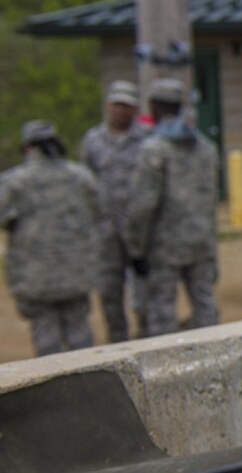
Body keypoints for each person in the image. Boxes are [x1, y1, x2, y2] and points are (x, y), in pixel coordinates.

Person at [121, 80, 219, 337]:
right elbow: (211, 200)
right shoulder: (206, 148)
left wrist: (135, 248)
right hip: (201, 241)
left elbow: (143, 205)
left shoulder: (154, 149)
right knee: (206, 307)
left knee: (162, 313)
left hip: (163, 247)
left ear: (154, 107)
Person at [0, 121, 103, 355]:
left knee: (45, 335)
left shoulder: (14, 182)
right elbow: (98, 210)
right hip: (77, 270)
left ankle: (53, 389)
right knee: (80, 332)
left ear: (28, 147)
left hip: (35, 275)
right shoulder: (80, 176)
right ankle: (87, 385)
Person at [80, 80, 150, 342]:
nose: (121, 111)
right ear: (108, 106)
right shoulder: (93, 140)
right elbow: (85, 182)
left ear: (135, 109)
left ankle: (146, 339)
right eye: (117, 104)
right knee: (109, 292)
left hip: (139, 229)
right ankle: (118, 343)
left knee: (145, 294)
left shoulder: (147, 139)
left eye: (127, 106)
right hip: (105, 229)